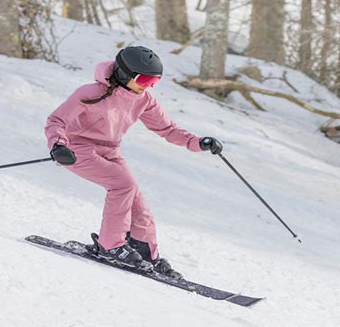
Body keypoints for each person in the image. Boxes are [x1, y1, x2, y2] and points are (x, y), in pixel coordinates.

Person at [45, 46, 223, 279]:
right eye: (145, 80)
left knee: (136, 200)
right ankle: (111, 246)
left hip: (110, 150)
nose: (148, 86)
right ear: (124, 74)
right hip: (77, 149)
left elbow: (167, 129)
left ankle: (143, 250)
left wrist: (198, 142)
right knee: (123, 185)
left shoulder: (144, 99)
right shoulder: (89, 92)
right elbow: (56, 120)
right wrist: (58, 145)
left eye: (154, 81)